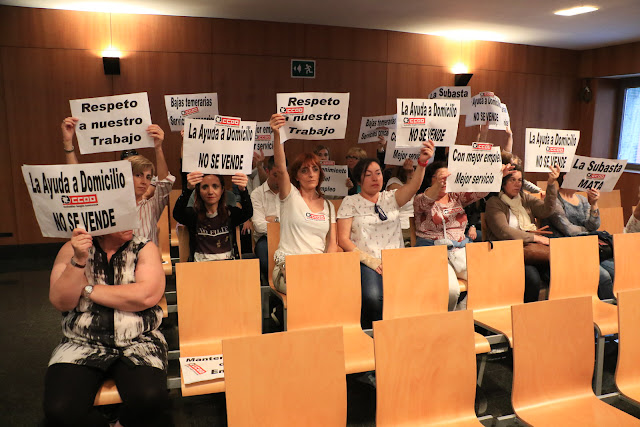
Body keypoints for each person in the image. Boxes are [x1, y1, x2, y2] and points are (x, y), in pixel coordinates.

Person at [43, 228, 170, 427]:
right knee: (59, 410)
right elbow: (61, 301)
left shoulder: (144, 247)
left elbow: (146, 296)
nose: (130, 223)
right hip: (81, 342)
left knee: (150, 398)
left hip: (139, 340)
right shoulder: (72, 249)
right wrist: (78, 261)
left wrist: (87, 289)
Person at [338, 141, 434, 328]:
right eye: (368, 175)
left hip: (395, 259)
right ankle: (374, 333)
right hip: (366, 261)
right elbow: (342, 239)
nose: (375, 178)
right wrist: (369, 261)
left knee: (416, 293)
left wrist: (421, 164)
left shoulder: (390, 197)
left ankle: (400, 333)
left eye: (378, 173)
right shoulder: (350, 201)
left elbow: (413, 186)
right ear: (359, 180)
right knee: (373, 297)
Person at [413, 161, 513, 310]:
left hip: (460, 251)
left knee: (489, 281)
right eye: (441, 177)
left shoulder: (456, 196)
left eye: (448, 177)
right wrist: (437, 186)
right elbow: (426, 201)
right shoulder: (420, 199)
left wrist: (498, 175)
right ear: (430, 179)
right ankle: (448, 321)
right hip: (434, 254)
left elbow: (480, 191)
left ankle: (461, 315)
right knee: (451, 291)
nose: (445, 181)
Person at [61, 117, 175, 246]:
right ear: (123, 176)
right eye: (138, 175)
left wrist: (158, 148)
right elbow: (79, 182)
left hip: (146, 262)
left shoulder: (152, 206)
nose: (144, 181)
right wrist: (68, 143)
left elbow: (165, 182)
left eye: (148, 177)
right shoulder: (108, 203)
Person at [269, 113, 338, 293]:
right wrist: (277, 135)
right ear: (297, 176)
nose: (310, 174)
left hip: (318, 268)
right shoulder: (290, 195)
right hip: (288, 268)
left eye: (315, 169)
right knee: (308, 289)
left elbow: (332, 245)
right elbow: (280, 167)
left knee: (338, 288)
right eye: (304, 170)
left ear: (320, 174)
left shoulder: (329, 206)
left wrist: (327, 271)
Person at [484, 165, 560, 302]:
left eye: (520, 180)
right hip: (507, 252)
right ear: (503, 182)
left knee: (558, 270)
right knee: (532, 277)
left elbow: (546, 210)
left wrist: (550, 184)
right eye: (512, 180)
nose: (517, 183)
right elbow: (503, 231)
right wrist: (535, 237)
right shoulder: (494, 202)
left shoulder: (524, 198)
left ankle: (554, 310)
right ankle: (527, 315)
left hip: (531, 250)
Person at [543, 178, 614, 299]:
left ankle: (620, 309)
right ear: (565, 177)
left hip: (588, 249)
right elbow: (568, 230)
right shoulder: (554, 201)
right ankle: (608, 311)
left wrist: (594, 204)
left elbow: (594, 225)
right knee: (604, 277)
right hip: (567, 252)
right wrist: (589, 233)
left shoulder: (583, 199)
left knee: (616, 271)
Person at [172, 171, 252, 262]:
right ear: (198, 191)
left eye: (215, 186)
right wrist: (188, 190)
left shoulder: (230, 213)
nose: (210, 192)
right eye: (205, 187)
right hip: (200, 266)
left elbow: (248, 213)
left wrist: (243, 190)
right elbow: (177, 214)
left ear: (222, 190)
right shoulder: (194, 214)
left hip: (228, 266)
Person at [249, 156, 280, 285]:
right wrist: (284, 223)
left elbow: (297, 221)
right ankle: (272, 284)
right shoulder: (257, 194)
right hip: (265, 238)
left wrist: (276, 220)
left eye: (283, 175)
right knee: (263, 251)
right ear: (267, 172)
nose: (280, 179)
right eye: (275, 175)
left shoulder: (292, 191)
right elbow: (259, 226)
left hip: (289, 236)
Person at [385, 159, 416, 245]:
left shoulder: (414, 182)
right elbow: (407, 196)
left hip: (413, 224)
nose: (414, 171)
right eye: (413, 169)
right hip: (400, 225)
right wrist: (410, 176)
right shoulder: (393, 182)